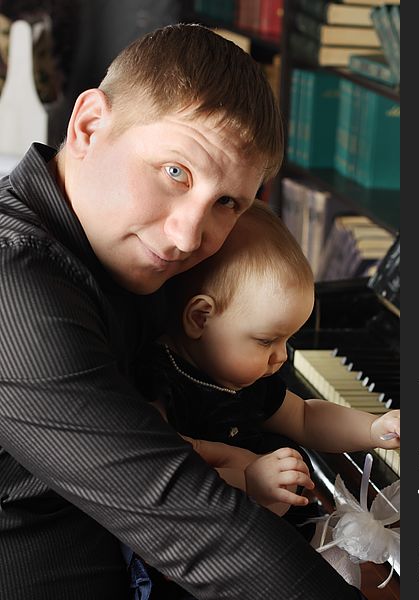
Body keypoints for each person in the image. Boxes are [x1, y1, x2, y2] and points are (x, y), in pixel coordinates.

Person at [0, 23, 368, 600]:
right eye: (175, 172)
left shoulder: (126, 250)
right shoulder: (14, 284)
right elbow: (199, 526)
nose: (187, 235)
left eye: (227, 203)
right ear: (89, 125)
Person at [137, 200, 401, 590]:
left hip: (275, 535)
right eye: (267, 340)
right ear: (200, 318)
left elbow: (307, 418)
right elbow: (169, 480)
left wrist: (374, 429)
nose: (282, 356)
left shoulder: (246, 377)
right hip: (210, 562)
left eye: (287, 339)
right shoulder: (159, 384)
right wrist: (248, 481)